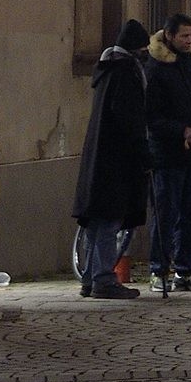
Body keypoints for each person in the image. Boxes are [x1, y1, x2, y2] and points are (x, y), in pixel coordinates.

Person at [72, 18, 150, 300]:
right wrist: (143, 152)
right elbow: (129, 119)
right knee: (108, 220)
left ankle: (91, 278)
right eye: (143, 47)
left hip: (100, 156)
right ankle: (103, 278)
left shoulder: (107, 71)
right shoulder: (125, 73)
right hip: (115, 160)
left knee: (97, 222)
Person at [143, 14, 191, 291]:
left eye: (190, 35)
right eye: (183, 36)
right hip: (167, 155)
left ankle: (185, 271)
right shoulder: (156, 69)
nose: (189, 40)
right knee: (165, 213)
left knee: (190, 214)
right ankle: (158, 270)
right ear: (169, 36)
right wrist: (181, 130)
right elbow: (152, 116)